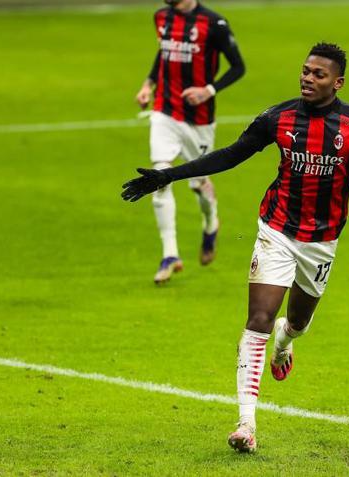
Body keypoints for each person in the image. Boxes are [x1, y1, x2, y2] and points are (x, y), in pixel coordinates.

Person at [123, 42, 349, 452]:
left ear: (338, 83)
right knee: (259, 318)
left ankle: (284, 344)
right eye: (305, 70)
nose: (307, 78)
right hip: (277, 230)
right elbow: (232, 155)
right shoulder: (278, 117)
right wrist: (168, 176)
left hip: (322, 242)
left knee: (297, 323)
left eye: (318, 74)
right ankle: (246, 424)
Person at [135, 0, 245, 284]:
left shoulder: (214, 24)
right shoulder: (161, 17)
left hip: (199, 120)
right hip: (164, 111)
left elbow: (238, 67)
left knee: (199, 184)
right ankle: (170, 254)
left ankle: (211, 222)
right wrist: (148, 84)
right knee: (159, 175)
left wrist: (208, 90)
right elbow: (164, 55)